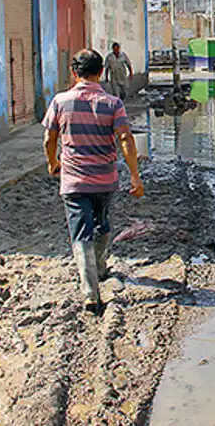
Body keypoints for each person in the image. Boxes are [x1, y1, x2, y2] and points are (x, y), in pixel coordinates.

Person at [43, 49, 145, 314]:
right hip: (105, 179)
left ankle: (90, 291)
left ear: (74, 73)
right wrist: (135, 175)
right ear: (101, 72)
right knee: (102, 223)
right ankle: (99, 268)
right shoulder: (113, 104)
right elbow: (125, 139)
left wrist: (52, 162)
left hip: (74, 180)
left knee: (80, 232)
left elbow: (49, 138)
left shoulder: (60, 101)